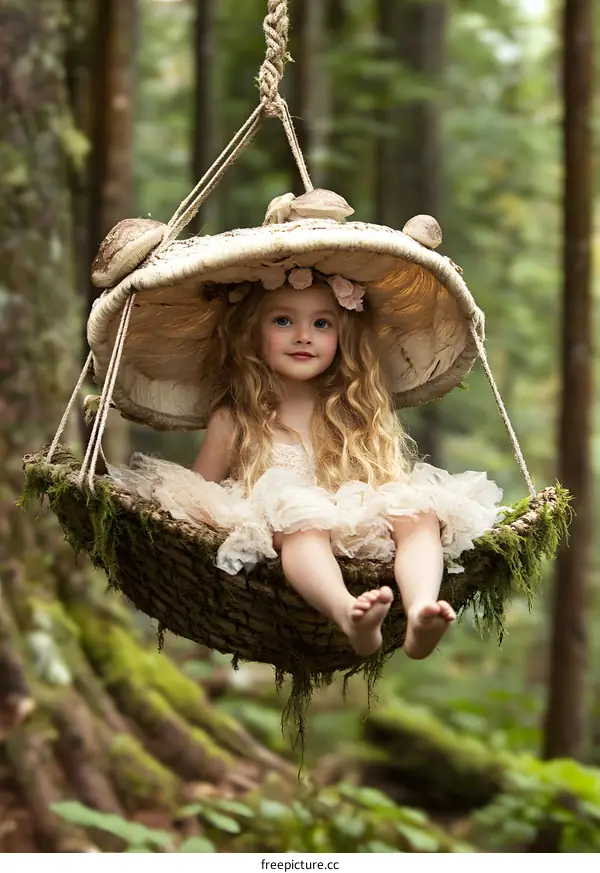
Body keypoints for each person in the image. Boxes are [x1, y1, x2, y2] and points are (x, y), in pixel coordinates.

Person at [108, 266, 503, 661]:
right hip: (286, 536)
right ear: (251, 332)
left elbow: (389, 488)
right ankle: (348, 614)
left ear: (342, 336)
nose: (303, 335)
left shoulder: (356, 414)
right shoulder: (235, 419)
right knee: (302, 520)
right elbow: (194, 496)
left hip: (358, 533)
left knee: (419, 512)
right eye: (283, 321)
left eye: (321, 323)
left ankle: (420, 612)